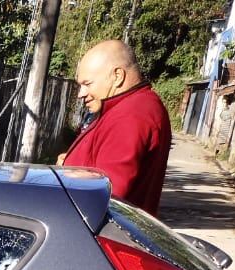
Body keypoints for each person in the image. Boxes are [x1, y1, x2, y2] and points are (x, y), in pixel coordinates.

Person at [59, 39, 171, 216]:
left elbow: (106, 194)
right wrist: (72, 164)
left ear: (117, 76)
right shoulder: (131, 106)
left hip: (94, 230)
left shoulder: (130, 115)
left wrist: (69, 175)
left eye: (88, 84)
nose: (81, 94)